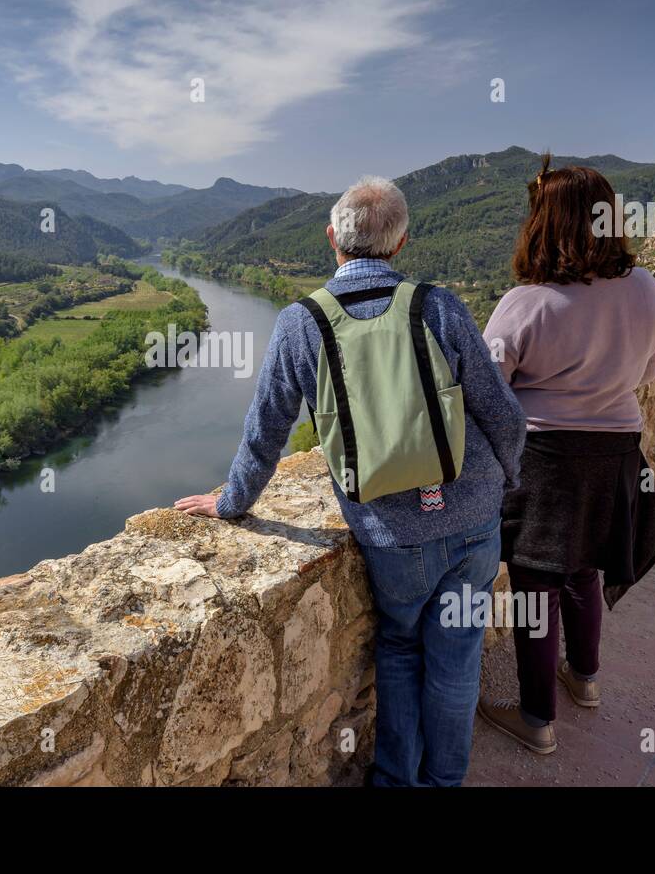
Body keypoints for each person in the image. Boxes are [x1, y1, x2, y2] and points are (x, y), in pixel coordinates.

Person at [175, 176, 526, 786]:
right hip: (473, 519)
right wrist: (504, 482)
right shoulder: (438, 306)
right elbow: (502, 414)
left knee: (399, 647)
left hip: (392, 532)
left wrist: (231, 503)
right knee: (457, 656)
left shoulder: (300, 322)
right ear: (402, 241)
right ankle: (444, 780)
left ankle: (395, 780)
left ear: (332, 237)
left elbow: (266, 432)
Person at [477, 155, 655, 755]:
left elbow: (488, 393)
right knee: (586, 567)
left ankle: (537, 719)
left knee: (536, 585)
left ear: (546, 223)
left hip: (546, 460)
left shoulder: (528, 302)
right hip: (615, 453)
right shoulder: (647, 290)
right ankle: (583, 679)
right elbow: (649, 370)